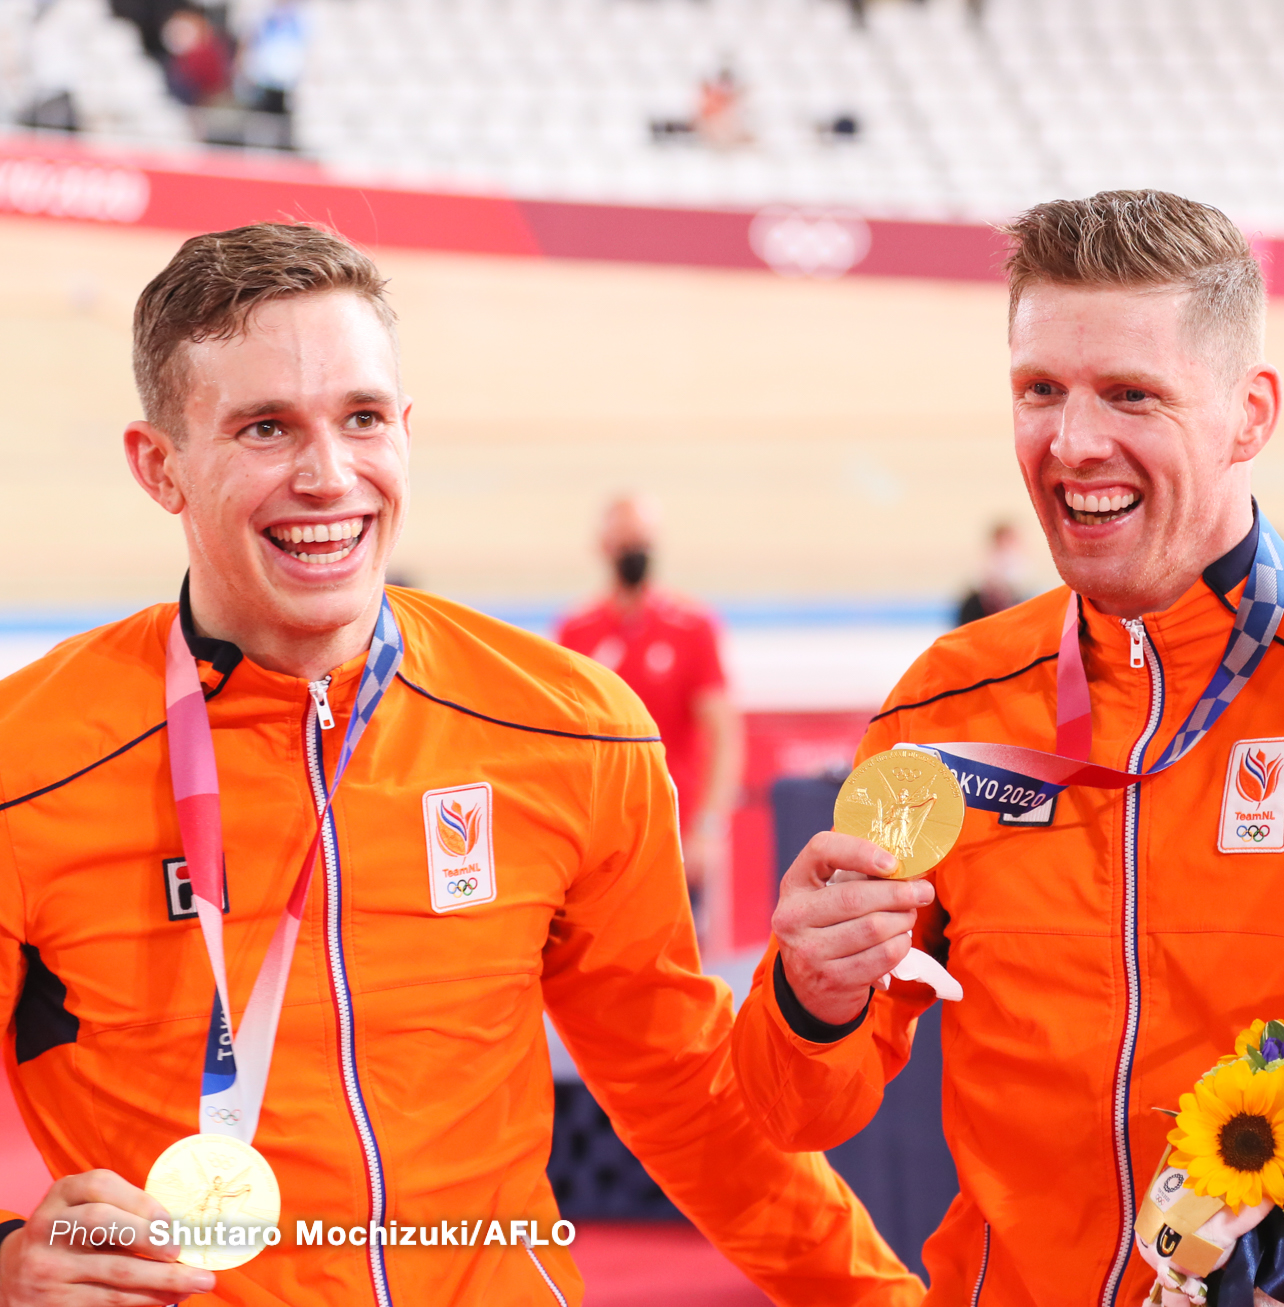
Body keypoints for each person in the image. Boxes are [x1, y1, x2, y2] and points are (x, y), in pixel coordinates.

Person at [733, 190, 1284, 1305]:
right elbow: (796, 1108)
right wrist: (807, 999)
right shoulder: (944, 706)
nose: (1073, 443)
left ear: (1248, 415)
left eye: (1130, 394)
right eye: (1040, 390)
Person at [0, 223, 920, 1306]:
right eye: (264, 427)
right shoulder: (29, 762)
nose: (327, 474)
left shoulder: (570, 728)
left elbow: (685, 1094)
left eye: (362, 417)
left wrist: (880, 1298)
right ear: (161, 466)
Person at [556, 497, 742, 949]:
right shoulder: (577, 631)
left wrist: (710, 826)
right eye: (624, 540)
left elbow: (723, 733)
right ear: (603, 545)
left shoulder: (691, 626)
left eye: (640, 541)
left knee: (685, 958)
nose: (632, 550)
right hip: (603, 835)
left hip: (676, 831)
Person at [952, 519, 1031, 626]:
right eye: (1004, 539)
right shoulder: (988, 562)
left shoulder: (1018, 562)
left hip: (1008, 605)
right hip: (984, 605)